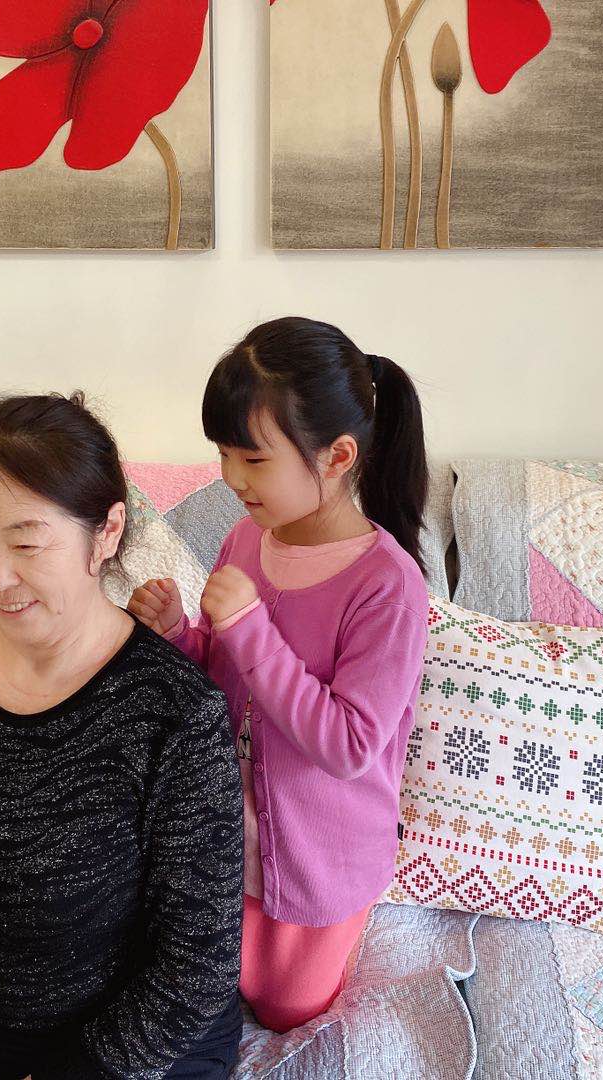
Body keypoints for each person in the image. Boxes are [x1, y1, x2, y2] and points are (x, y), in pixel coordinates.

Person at [0, 393, 244, 1080]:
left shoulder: (175, 712)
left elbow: (198, 963)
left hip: (129, 1048)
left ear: (106, 532)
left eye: (26, 543)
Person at [130, 316, 430, 1032]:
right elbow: (225, 683)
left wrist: (248, 629)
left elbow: (350, 745)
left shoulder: (388, 586)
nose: (231, 478)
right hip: (219, 848)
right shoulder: (246, 538)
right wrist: (178, 635)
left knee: (287, 1015)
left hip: (318, 869)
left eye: (253, 459)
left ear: (337, 456)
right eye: (223, 454)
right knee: (197, 1009)